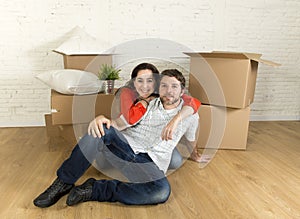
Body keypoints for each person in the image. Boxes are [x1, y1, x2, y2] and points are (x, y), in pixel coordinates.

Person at [33, 69, 199, 208]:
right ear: (159, 88)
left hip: (150, 164)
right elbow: (120, 123)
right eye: (164, 86)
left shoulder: (190, 114)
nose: (169, 91)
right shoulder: (148, 103)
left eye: (174, 87)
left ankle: (94, 189)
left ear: (182, 91)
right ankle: (63, 183)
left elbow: (192, 130)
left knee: (161, 191)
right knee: (101, 129)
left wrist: (194, 152)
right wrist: (101, 119)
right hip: (126, 149)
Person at [112, 63, 201, 165]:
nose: (145, 86)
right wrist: (145, 102)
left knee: (175, 161)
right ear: (133, 83)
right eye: (140, 80)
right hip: (129, 133)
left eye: (149, 80)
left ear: (156, 83)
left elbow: (193, 102)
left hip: (154, 139)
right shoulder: (127, 93)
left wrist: (175, 120)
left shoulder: (161, 93)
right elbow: (129, 119)